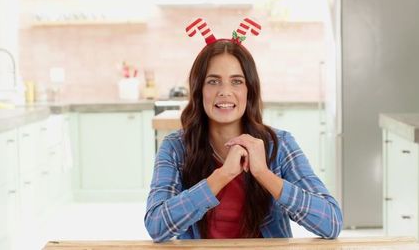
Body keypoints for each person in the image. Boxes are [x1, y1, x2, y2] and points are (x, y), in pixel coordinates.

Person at [144, 18, 342, 242]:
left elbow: (331, 222)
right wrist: (222, 175)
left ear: (250, 90)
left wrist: (264, 174)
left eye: (236, 81)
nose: (225, 92)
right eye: (213, 81)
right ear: (199, 90)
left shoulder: (280, 144)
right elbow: (156, 225)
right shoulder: (175, 147)